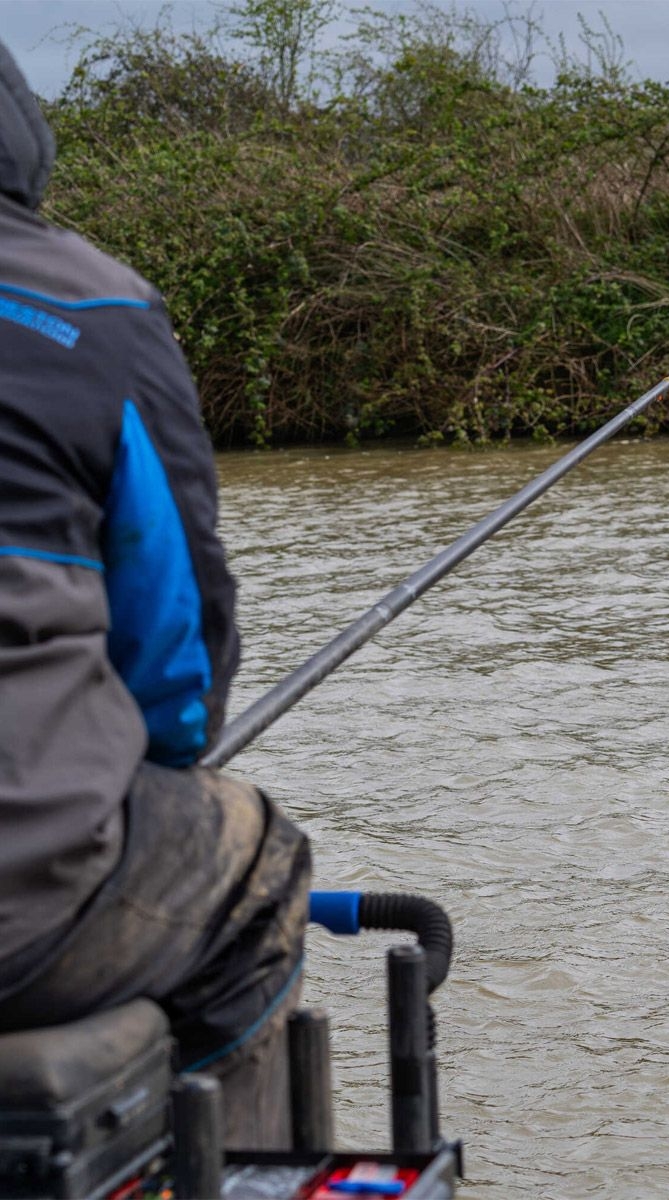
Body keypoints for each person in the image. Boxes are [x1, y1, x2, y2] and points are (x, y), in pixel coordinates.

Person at [0, 39, 310, 1148]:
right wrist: (150, 767)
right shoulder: (95, 307)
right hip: (23, 917)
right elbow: (175, 672)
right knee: (260, 870)